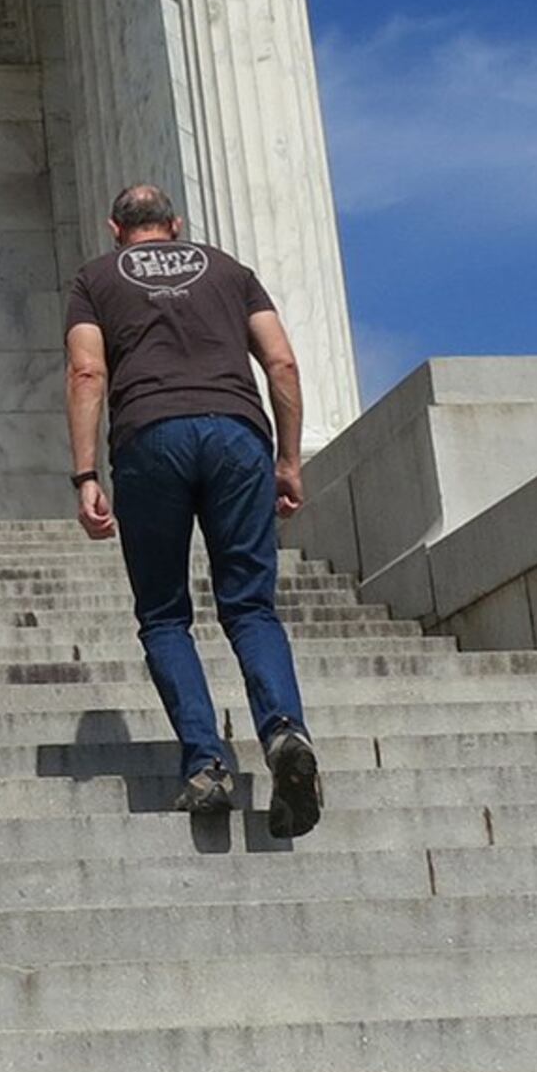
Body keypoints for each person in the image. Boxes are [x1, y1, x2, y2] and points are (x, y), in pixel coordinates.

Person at [63, 183, 325, 838]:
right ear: (175, 225)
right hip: (238, 436)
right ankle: (284, 731)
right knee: (250, 606)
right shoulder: (230, 269)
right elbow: (283, 364)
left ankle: (207, 764)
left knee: (163, 614)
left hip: (151, 437)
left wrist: (85, 473)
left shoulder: (95, 278)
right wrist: (288, 461)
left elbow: (87, 373)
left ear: (115, 228)